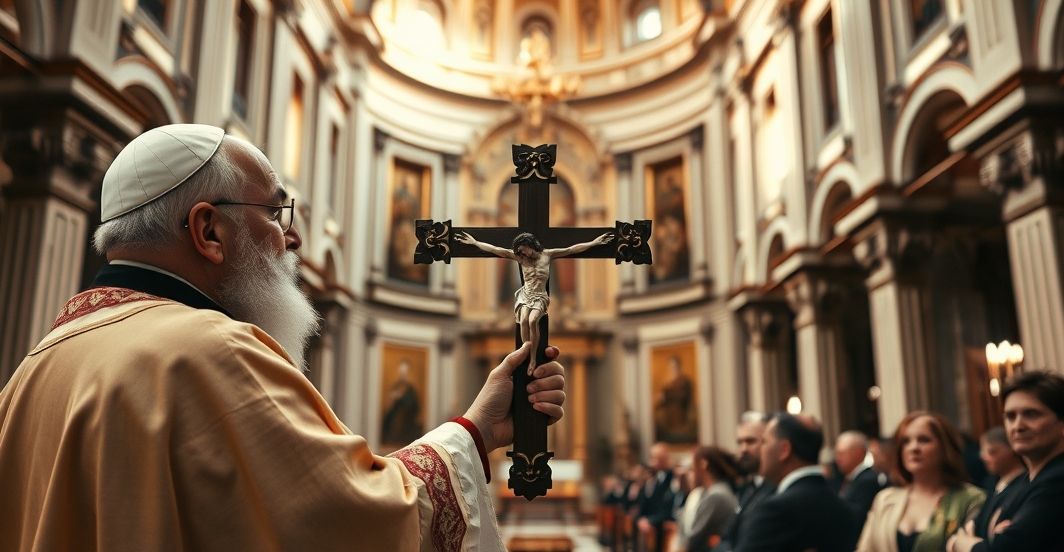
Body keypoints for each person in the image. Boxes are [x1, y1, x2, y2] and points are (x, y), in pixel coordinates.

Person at [0, 124, 568, 551]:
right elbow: (352, 520)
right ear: (208, 230)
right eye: (274, 212)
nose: (291, 238)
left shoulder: (34, 368)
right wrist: (472, 432)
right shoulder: (207, 352)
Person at [455, 230, 612, 375]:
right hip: (525, 295)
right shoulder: (521, 259)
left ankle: (533, 358)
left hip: (540, 296)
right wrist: (475, 243)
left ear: (531, 245)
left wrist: (594, 243)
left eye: (524, 250)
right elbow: (497, 250)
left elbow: (572, 249)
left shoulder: (548, 255)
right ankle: (525, 352)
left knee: (532, 321)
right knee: (522, 320)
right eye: (520, 252)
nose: (522, 254)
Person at [947, 371, 1064, 551]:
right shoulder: (1023, 483)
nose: (1018, 426)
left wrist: (959, 543)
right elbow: (983, 533)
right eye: (1010, 417)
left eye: (1031, 414)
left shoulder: (1057, 478)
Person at [857, 412, 985, 552]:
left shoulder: (971, 499)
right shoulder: (885, 499)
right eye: (906, 441)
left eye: (924, 440)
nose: (914, 448)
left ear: (945, 447)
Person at [737, 413, 858, 552]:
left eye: (764, 442)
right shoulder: (843, 508)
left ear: (784, 450)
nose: (760, 450)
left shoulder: (776, 511)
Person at [717, 411, 775, 552]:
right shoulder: (748, 487)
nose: (743, 449)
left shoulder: (777, 487)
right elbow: (727, 537)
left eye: (750, 441)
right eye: (740, 442)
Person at [676, 446, 740, 552]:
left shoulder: (716, 495)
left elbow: (693, 542)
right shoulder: (706, 493)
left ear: (703, 464)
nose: (689, 476)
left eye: (692, 469)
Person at [969, 427, 1026, 543]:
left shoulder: (1024, 485)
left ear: (1012, 449)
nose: (983, 457)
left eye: (991, 452)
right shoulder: (991, 484)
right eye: (983, 452)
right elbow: (975, 525)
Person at [835, 430, 888, 529]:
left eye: (841, 453)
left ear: (858, 452)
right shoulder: (851, 478)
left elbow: (858, 517)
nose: (837, 458)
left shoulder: (867, 480)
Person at [637, 442, 677, 552]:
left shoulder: (673, 477)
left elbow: (669, 507)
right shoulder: (652, 478)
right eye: (653, 457)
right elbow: (645, 502)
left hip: (664, 525)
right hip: (651, 526)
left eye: (658, 458)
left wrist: (650, 521)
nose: (654, 462)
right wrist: (642, 519)